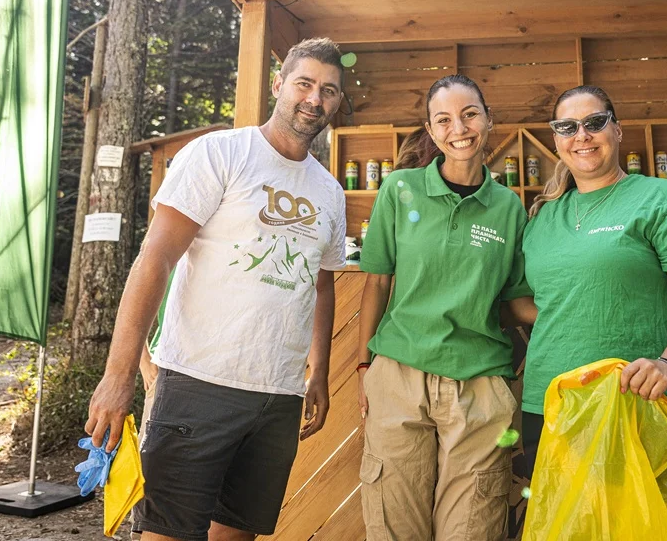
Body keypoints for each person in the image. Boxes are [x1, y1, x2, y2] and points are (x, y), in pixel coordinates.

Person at [85, 37, 349, 541]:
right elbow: (155, 259)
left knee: (236, 535)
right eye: (304, 84)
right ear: (278, 85)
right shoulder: (220, 153)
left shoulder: (329, 191)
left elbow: (321, 284)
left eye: (329, 90)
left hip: (278, 396)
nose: (315, 99)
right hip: (198, 383)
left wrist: (318, 371)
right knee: (167, 533)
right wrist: (118, 376)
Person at [518, 85, 667, 479]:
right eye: (567, 127)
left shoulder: (666, 200)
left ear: (617, 130)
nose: (581, 135)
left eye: (595, 122)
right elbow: (524, 302)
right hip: (555, 406)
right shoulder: (540, 219)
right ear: (556, 139)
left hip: (649, 403)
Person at [357, 74, 535, 541]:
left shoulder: (510, 208)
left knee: (472, 530)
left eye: (470, 114)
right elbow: (377, 282)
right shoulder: (399, 189)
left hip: (480, 383)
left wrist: (579, 307)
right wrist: (363, 366)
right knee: (395, 528)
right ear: (431, 131)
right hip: (399, 374)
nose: (459, 128)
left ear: (488, 119)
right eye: (444, 119)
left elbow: (517, 301)